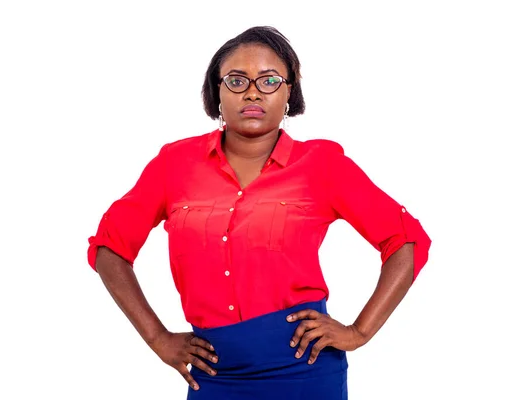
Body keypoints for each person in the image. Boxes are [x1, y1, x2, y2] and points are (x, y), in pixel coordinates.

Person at [87, 26, 431, 400]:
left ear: (289, 92)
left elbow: (405, 240)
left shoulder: (322, 165)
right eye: (236, 80)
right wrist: (157, 338)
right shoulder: (174, 164)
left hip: (305, 369)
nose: (252, 92)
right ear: (216, 91)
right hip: (213, 373)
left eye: (269, 80)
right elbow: (110, 247)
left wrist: (359, 331)